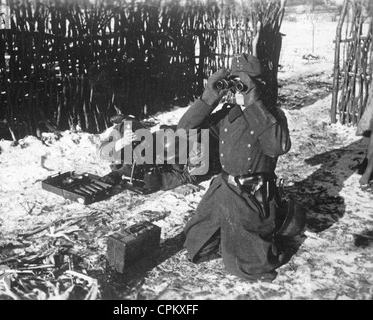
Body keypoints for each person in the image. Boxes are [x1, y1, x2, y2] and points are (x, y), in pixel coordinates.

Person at [177, 52, 292, 281]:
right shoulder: (227, 116)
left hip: (252, 195)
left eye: (244, 84)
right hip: (224, 188)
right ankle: (229, 236)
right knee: (194, 243)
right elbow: (185, 127)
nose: (238, 89)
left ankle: (267, 230)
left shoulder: (271, 115)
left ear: (258, 86)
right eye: (235, 83)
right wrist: (209, 97)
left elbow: (277, 147)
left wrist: (253, 102)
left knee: (245, 266)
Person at [97, 114, 220, 192]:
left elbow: (189, 175)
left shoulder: (193, 148)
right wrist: (122, 143)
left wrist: (160, 181)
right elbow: (102, 151)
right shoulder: (134, 136)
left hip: (210, 148)